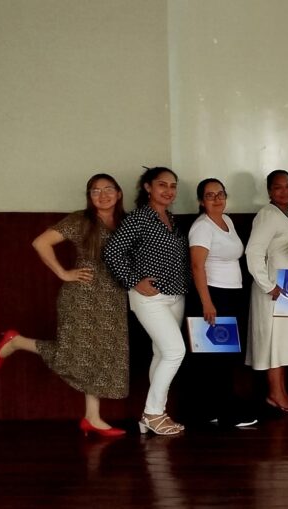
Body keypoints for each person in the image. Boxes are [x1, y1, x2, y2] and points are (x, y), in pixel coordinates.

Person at [0, 174, 129, 437]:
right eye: (95, 191)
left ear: (119, 193)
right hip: (82, 296)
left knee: (98, 356)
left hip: (113, 298)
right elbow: (40, 242)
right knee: (76, 353)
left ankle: (92, 417)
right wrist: (63, 273)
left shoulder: (126, 223)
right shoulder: (81, 220)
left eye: (108, 189)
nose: (103, 195)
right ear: (89, 196)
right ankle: (17, 342)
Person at [103, 167, 190, 435]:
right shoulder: (139, 218)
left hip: (175, 295)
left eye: (172, 186)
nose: (168, 190)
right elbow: (112, 251)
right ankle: (152, 413)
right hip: (149, 298)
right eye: (162, 184)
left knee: (162, 353)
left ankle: (154, 415)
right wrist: (133, 281)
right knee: (175, 352)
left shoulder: (171, 219)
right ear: (148, 187)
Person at [184, 178, 258, 428]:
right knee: (216, 359)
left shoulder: (226, 220)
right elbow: (197, 266)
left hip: (231, 294)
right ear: (200, 201)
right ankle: (223, 412)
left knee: (225, 356)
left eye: (220, 194)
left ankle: (214, 410)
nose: (216, 199)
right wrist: (207, 302)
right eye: (210, 195)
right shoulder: (202, 227)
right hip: (214, 296)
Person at [247, 170, 288, 413]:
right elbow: (253, 252)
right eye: (278, 187)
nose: (285, 191)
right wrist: (268, 285)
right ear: (269, 191)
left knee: (284, 342)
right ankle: (275, 394)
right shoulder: (267, 215)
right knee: (274, 341)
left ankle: (281, 391)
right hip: (275, 289)